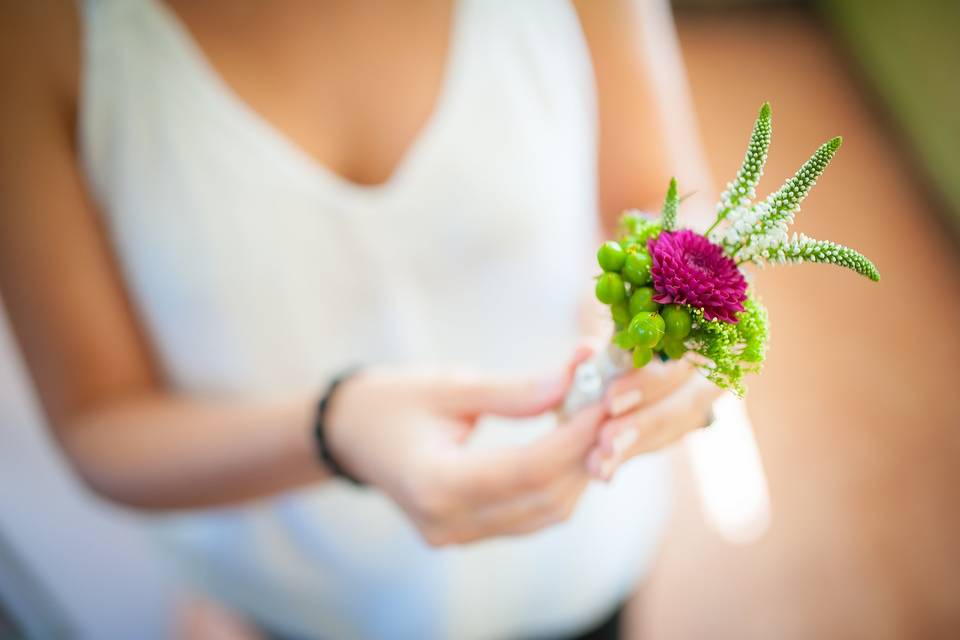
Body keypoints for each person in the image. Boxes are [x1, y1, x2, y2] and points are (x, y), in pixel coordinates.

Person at [0, 0, 722, 637]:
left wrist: (683, 326)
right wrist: (332, 427)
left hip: (579, 561)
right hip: (288, 601)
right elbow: (99, 420)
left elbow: (669, 202)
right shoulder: (37, 32)